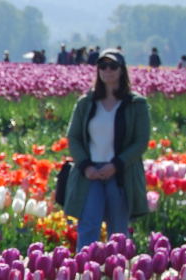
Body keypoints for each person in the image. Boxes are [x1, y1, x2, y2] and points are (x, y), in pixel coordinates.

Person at [63, 48, 151, 250]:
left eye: (112, 66)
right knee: (88, 225)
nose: (107, 71)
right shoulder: (86, 102)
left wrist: (117, 164)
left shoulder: (136, 104)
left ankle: (115, 275)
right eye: (102, 66)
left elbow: (141, 142)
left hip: (121, 173)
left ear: (122, 70)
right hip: (90, 173)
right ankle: (85, 272)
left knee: (118, 230)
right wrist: (85, 166)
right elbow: (74, 137)